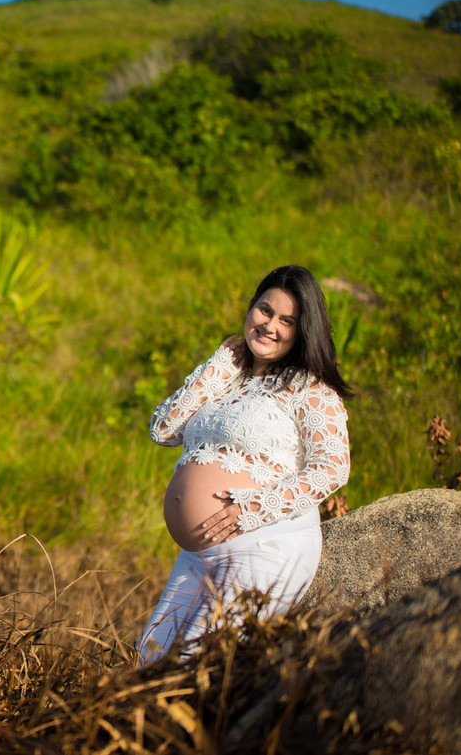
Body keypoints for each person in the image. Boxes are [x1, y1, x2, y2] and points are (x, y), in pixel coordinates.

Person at [137, 265, 353, 666]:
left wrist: (249, 510)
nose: (270, 325)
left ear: (304, 331)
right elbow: (163, 429)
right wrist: (219, 366)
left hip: (262, 544)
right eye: (265, 310)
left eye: (287, 321)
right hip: (199, 555)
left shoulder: (309, 389)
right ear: (251, 307)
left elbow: (332, 467)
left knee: (197, 665)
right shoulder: (229, 378)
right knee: (148, 658)